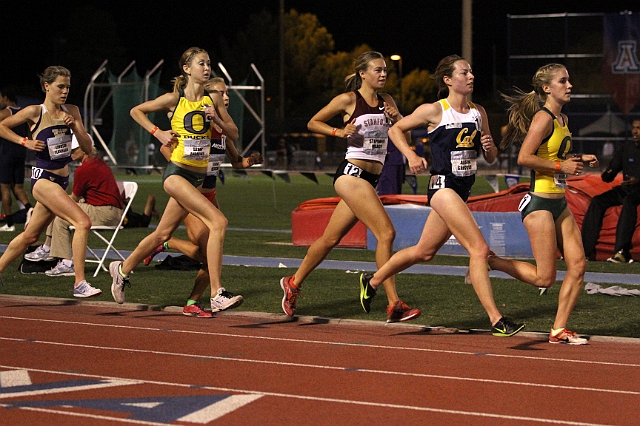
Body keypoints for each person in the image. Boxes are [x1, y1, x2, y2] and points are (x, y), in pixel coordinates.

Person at [358, 54, 525, 336]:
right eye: (464, 73)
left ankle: (371, 281)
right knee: (480, 250)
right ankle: (496, 320)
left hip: (462, 191)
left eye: (472, 72)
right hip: (442, 188)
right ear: (448, 80)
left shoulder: (478, 112)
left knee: (424, 252)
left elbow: (492, 157)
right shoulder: (435, 110)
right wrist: (410, 154)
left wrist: (489, 147)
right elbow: (397, 129)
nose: (471, 77)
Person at [279, 51, 421, 323]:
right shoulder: (348, 100)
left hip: (369, 181)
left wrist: (397, 116)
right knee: (387, 233)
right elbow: (313, 122)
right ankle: (394, 304)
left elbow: (407, 134)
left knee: (330, 239)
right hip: (351, 175)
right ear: (362, 74)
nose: (383, 74)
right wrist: (338, 132)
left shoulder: (387, 101)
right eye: (377, 70)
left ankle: (293, 282)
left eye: (385, 71)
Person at [109, 47, 243, 313]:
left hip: (196, 176)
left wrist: (216, 119)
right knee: (219, 221)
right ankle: (217, 293)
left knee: (162, 233)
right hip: (176, 174)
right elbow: (136, 111)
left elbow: (234, 134)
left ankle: (121, 269)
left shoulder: (212, 100)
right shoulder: (174, 99)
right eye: (201, 64)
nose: (206, 68)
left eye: (209, 64)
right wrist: (157, 132)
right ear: (186, 69)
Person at [484, 63, 598, 344]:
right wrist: (562, 165)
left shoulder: (563, 120)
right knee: (545, 278)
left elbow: (555, 154)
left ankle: (559, 329)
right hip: (539, 204)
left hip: (560, 202)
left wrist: (580, 159)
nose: (569, 85)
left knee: (579, 265)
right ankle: (490, 261)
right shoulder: (543, 118)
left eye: (569, 80)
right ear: (547, 88)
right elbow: (524, 158)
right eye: (563, 81)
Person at [143, 76, 262, 317]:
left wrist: (250, 160)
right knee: (208, 254)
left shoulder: (222, 130)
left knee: (211, 257)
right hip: (191, 194)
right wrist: (183, 169)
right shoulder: (196, 125)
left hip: (210, 195)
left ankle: (191, 301)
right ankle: (166, 247)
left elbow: (236, 162)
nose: (225, 97)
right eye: (220, 92)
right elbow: (167, 148)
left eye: (226, 93)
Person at [0, 66, 100, 297]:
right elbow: (3, 126)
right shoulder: (35, 111)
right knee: (82, 222)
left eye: (67, 87)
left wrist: (75, 125)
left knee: (30, 236)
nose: (65, 91)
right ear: (47, 86)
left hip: (61, 179)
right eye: (60, 87)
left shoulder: (72, 111)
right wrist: (23, 142)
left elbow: (87, 149)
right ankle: (79, 283)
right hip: (43, 180)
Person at [25, 144, 124, 277]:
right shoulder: (96, 163)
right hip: (110, 210)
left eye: (73, 149)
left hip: (105, 212)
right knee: (58, 207)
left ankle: (64, 261)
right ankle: (48, 249)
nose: (69, 152)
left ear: (83, 149)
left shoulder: (85, 168)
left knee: (61, 214)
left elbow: (74, 197)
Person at [582, 118, 640, 264]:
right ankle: (584, 251)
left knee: (629, 202)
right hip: (626, 188)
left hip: (638, 191)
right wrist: (606, 172)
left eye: (639, 128)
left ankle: (621, 252)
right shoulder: (626, 148)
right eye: (633, 127)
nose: (635, 131)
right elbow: (610, 174)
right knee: (597, 201)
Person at [0, 86, 33, 232]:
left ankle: (9, 223)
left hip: (7, 153)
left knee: (4, 188)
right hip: (21, 153)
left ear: (6, 98)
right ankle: (29, 210)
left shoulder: (7, 112)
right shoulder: (24, 112)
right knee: (18, 187)